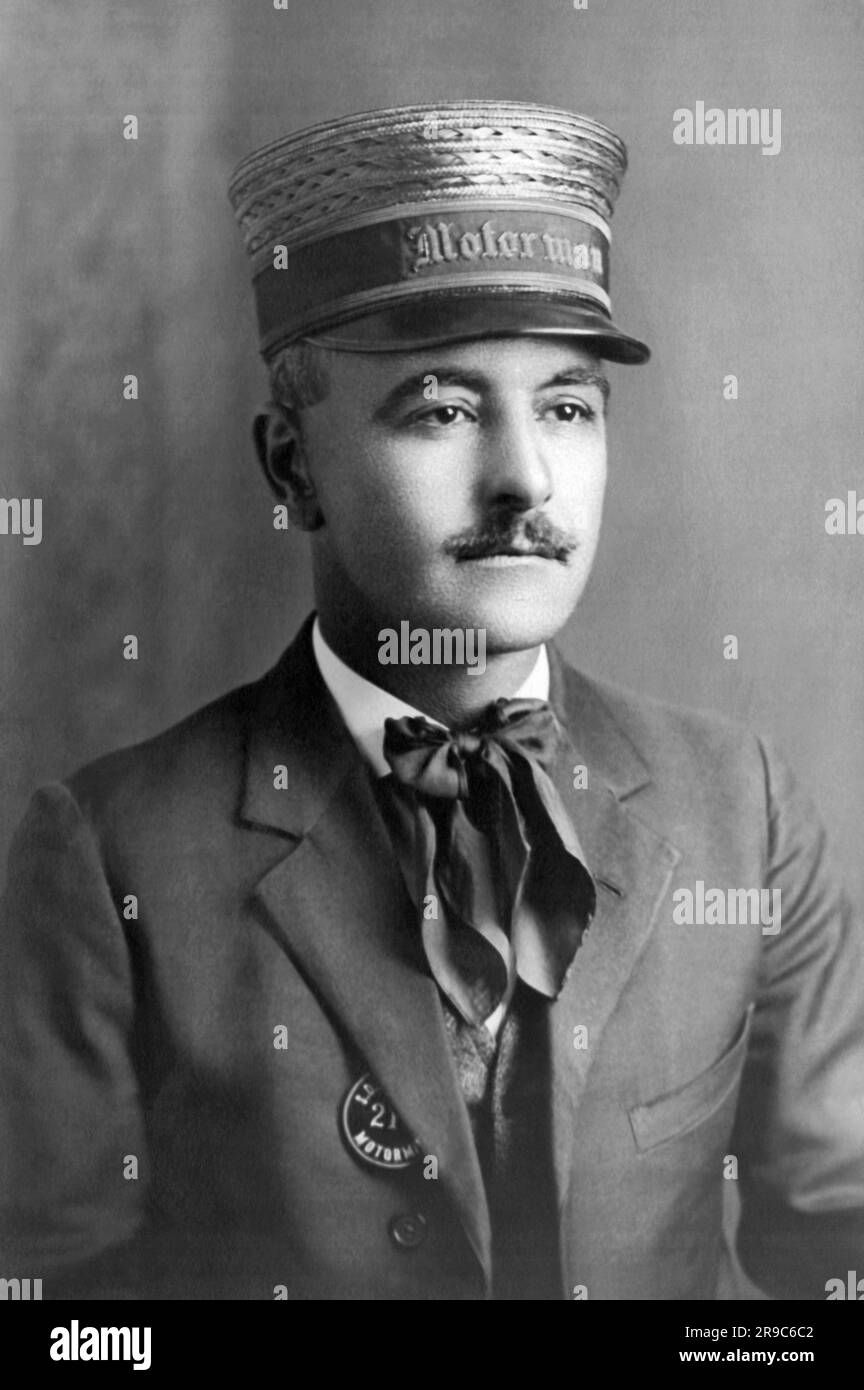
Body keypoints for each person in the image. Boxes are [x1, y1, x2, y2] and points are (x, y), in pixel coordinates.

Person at [1, 100, 862, 1301]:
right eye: (444, 409)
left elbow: (835, 1253)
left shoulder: (745, 816)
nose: (523, 478)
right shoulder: (111, 855)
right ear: (293, 468)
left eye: (566, 406)